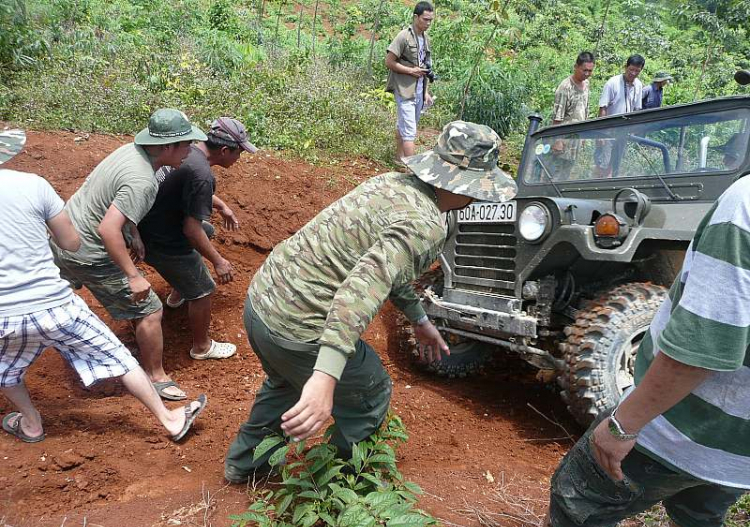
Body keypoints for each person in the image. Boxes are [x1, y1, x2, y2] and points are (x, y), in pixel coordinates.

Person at [224, 121, 518, 483]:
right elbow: (362, 286)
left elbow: (381, 268)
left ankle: (244, 464)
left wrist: (419, 319)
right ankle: (335, 483)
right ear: (465, 184)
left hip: (261, 307)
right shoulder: (426, 224)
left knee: (285, 381)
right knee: (372, 387)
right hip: (299, 327)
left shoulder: (390, 184)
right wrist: (324, 376)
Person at [491, 171, 750, 527]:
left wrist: (624, 423)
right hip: (740, 442)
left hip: (680, 420)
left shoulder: (744, 203)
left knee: (578, 491)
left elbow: (702, 346)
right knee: (704, 504)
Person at [0, 129, 207, 444]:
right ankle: (168, 417)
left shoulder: (130, 154)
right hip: (56, 304)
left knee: (6, 372)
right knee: (122, 355)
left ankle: (31, 424)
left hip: (6, 315)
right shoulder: (33, 185)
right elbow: (69, 241)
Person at [51, 108, 207, 401]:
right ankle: (155, 376)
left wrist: (133, 232)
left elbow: (113, 201)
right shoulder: (143, 181)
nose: (191, 149)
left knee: (56, 296)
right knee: (150, 309)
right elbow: (108, 229)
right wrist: (133, 276)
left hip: (64, 235)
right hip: (88, 252)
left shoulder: (130, 152)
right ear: (166, 146)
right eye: (186, 143)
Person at [137, 117, 256, 362]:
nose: (239, 159)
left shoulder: (186, 151)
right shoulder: (203, 174)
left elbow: (187, 190)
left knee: (208, 230)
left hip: (148, 224)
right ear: (224, 150)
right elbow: (191, 230)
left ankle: (179, 290)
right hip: (161, 239)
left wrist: (222, 206)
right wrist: (218, 261)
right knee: (203, 290)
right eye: (239, 153)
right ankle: (202, 347)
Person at [385, 1, 435, 164]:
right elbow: (389, 62)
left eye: (430, 20)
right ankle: (411, 170)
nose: (427, 23)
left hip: (419, 90)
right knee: (410, 132)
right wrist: (411, 71)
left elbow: (424, 66)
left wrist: (425, 92)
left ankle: (399, 160)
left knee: (404, 126)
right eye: (425, 19)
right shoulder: (403, 36)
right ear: (416, 17)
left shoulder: (426, 39)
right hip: (404, 89)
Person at [595, 54, 646, 178]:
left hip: (624, 132)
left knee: (616, 163)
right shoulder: (613, 83)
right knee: (603, 163)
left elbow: (637, 109)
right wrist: (601, 134)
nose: (633, 73)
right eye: (631, 70)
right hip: (608, 132)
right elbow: (603, 108)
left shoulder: (638, 85)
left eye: (637, 71)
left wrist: (634, 130)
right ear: (625, 67)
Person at [549, 51, 595, 180]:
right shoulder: (565, 87)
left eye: (590, 71)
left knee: (567, 172)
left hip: (577, 137)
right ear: (576, 67)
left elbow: (585, 109)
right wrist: (557, 140)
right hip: (563, 138)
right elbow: (557, 117)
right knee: (554, 173)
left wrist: (584, 135)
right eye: (584, 70)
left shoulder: (586, 84)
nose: (587, 74)